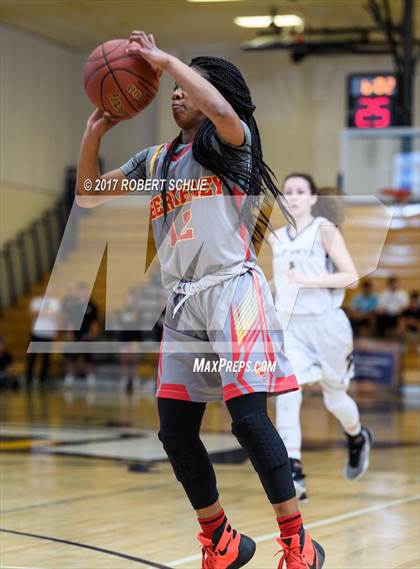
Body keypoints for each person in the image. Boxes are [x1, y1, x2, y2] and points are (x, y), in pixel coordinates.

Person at [75, 31, 325, 569]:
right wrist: (94, 132)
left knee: (248, 419)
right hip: (184, 305)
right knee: (174, 430)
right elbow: (88, 195)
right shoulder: (156, 159)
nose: (174, 92)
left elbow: (217, 107)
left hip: (234, 294)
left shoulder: (234, 145)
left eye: (189, 85)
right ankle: (222, 539)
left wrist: (165, 61)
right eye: (173, 85)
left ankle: (297, 541)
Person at [269, 175, 372, 502]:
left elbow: (351, 277)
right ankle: (293, 468)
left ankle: (356, 437)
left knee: (335, 398)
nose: (293, 197)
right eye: (288, 192)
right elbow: (282, 282)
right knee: (288, 392)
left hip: (327, 325)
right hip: (292, 326)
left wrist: (307, 280)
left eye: (300, 191)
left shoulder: (325, 230)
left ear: (312, 199)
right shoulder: (276, 238)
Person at [63, 282, 99, 388]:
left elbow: (95, 322)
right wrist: (70, 334)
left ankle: (90, 377)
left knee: (88, 357)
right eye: (79, 291)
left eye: (83, 290)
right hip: (75, 335)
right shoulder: (73, 305)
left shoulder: (92, 306)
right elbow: (69, 321)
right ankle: (69, 377)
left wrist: (92, 334)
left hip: (87, 335)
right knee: (71, 357)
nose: (81, 293)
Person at [26, 287, 60, 387]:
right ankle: (29, 378)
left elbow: (55, 314)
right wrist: (46, 312)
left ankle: (43, 379)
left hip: (49, 334)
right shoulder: (36, 301)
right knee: (32, 357)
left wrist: (41, 312)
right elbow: (32, 313)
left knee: (46, 358)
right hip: (36, 333)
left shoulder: (55, 302)